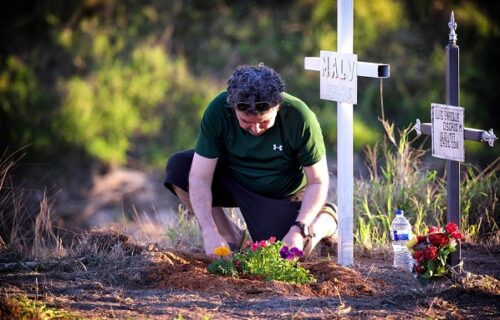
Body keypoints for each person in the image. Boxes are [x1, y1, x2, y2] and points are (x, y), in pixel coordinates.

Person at [164, 63, 338, 259]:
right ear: (233, 106)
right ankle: (232, 237)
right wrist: (209, 232)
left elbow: (318, 181)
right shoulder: (218, 110)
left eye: (264, 122)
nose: (255, 130)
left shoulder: (300, 117)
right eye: (246, 122)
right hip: (235, 178)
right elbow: (199, 178)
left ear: (278, 105)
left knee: (288, 253)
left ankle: (327, 218)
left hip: (280, 192)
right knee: (180, 168)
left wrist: (299, 228)